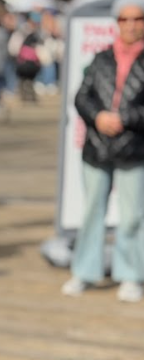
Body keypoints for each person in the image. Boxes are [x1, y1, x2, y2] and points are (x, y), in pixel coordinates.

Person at [62, 0, 144, 304]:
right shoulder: (101, 59)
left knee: (133, 216)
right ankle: (84, 271)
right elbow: (82, 96)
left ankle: (131, 274)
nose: (132, 24)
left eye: (138, 19)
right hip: (98, 147)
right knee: (91, 211)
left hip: (134, 148)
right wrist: (98, 116)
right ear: (117, 22)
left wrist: (126, 119)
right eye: (125, 18)